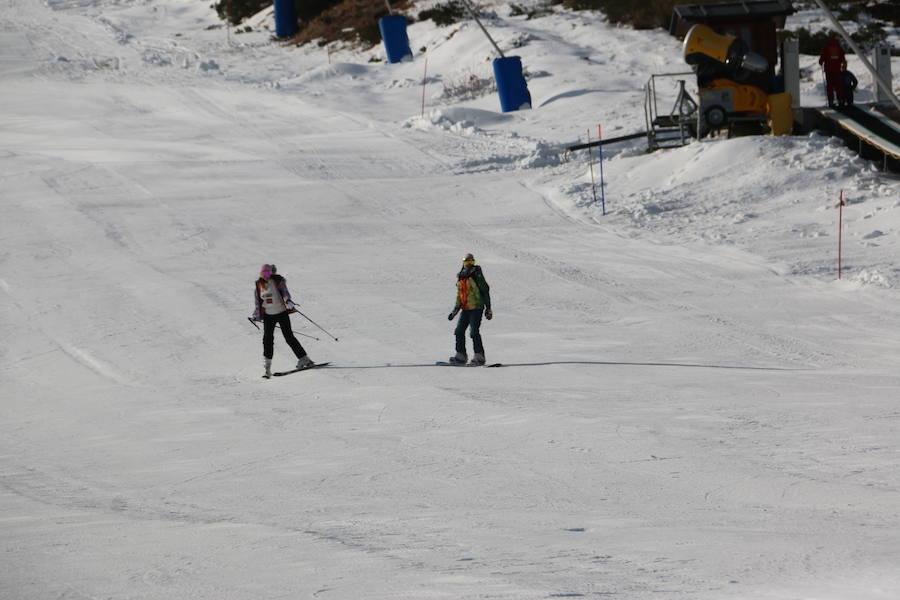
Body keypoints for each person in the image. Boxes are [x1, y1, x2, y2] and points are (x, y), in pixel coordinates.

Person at [250, 264, 313, 377]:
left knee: (289, 337)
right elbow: (258, 303)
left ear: (271, 273)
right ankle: (267, 368)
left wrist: (288, 301)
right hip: (269, 316)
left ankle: (304, 359)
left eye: (268, 273)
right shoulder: (258, 285)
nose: (266, 276)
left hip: (281, 313)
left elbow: (285, 293)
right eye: (263, 273)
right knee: (267, 340)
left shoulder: (278, 281)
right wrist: (256, 315)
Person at [447, 253, 492, 365]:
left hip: (477, 307)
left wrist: (488, 308)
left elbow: (485, 290)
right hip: (465, 308)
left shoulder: (476, 274)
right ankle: (461, 355)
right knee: (458, 331)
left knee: (473, 332)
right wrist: (455, 311)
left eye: (471, 262)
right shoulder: (461, 277)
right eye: (467, 262)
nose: (469, 264)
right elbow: (460, 295)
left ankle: (479, 356)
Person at [819, 37, 846, 108]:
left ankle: (831, 102)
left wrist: (821, 62)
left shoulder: (826, 47)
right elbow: (843, 58)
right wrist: (843, 67)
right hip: (837, 70)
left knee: (830, 86)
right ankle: (840, 100)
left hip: (828, 71)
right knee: (838, 86)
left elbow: (822, 57)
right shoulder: (839, 48)